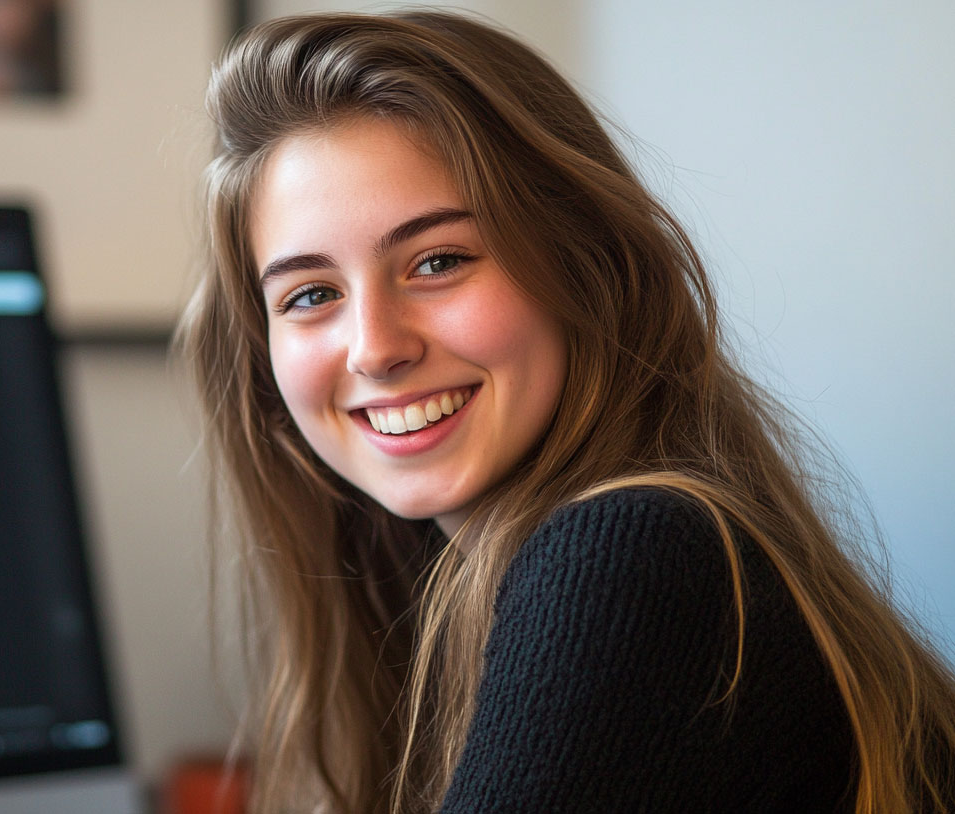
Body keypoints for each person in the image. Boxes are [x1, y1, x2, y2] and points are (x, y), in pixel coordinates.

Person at [176, 10, 955, 814]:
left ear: (587, 266)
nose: (375, 348)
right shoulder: (444, 588)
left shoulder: (628, 555)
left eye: (438, 261)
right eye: (311, 295)